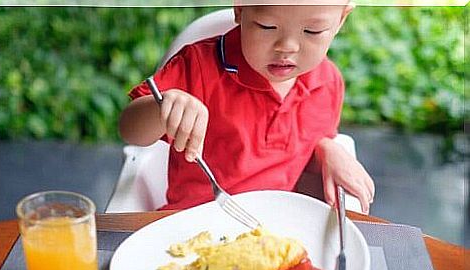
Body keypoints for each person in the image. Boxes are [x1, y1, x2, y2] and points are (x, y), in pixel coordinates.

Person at [119, 2, 375, 213]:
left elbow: (303, 149)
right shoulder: (198, 67)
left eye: (313, 31)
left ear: (341, 19)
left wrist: (326, 149)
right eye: (267, 26)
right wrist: (163, 107)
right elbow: (130, 131)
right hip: (190, 226)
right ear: (240, 9)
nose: (287, 46)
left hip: (274, 230)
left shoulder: (327, 84)